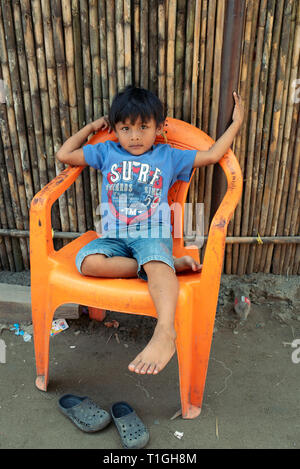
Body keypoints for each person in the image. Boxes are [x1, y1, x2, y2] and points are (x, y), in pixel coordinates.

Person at [56, 86, 244, 376]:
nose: (134, 136)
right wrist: (93, 127)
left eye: (143, 127)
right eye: (126, 128)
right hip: (113, 236)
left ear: (158, 127)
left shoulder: (168, 156)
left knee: (156, 260)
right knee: (87, 262)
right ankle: (166, 267)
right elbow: (64, 155)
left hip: (151, 233)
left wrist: (237, 123)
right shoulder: (106, 151)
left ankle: (165, 332)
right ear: (115, 129)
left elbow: (213, 155)